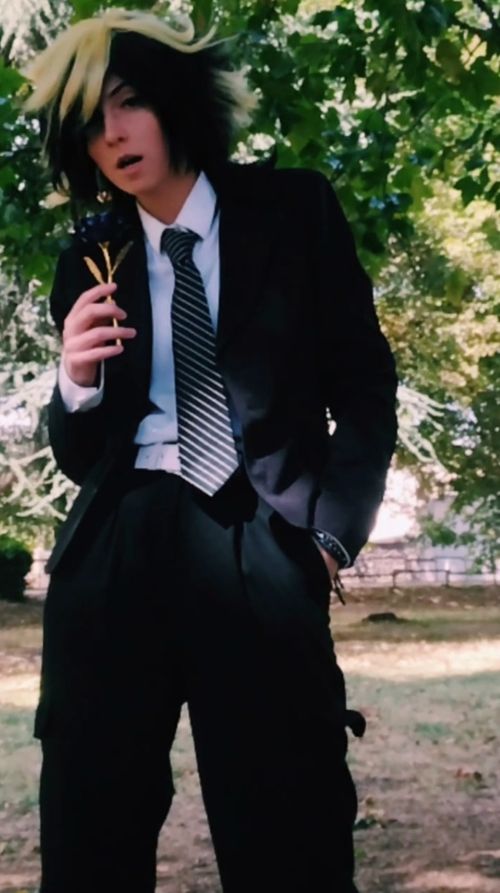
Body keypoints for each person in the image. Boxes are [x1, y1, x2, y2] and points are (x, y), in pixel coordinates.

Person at [23, 7, 398, 892]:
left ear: (177, 100)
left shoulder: (294, 210)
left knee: (290, 832)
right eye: (90, 122)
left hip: (258, 535)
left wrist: (329, 536)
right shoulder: (91, 258)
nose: (113, 134)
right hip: (115, 551)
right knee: (89, 830)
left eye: (129, 102)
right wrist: (74, 382)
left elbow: (365, 387)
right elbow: (82, 454)